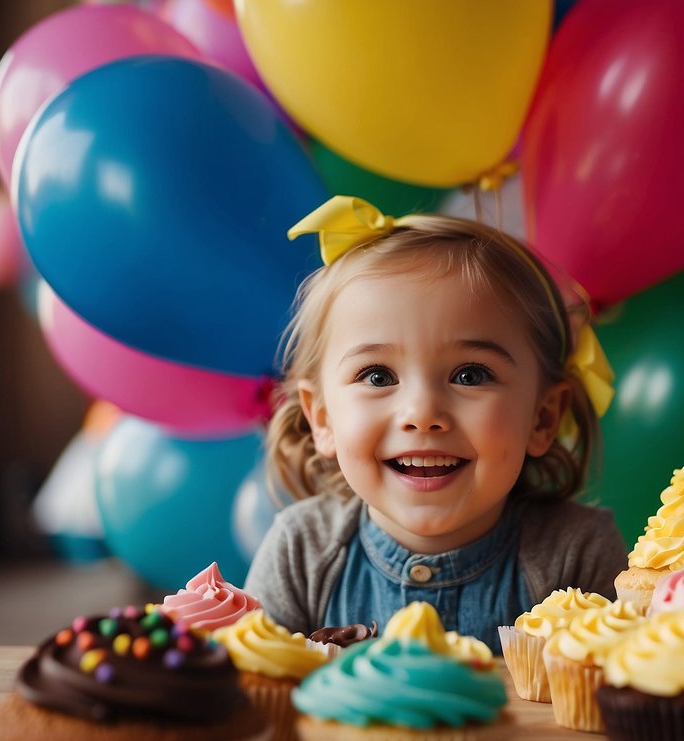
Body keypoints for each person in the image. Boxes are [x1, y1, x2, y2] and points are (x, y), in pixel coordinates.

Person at [243, 195, 626, 651]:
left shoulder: (576, 554)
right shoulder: (300, 552)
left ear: (542, 417)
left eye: (470, 375)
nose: (422, 412)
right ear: (322, 419)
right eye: (378, 376)